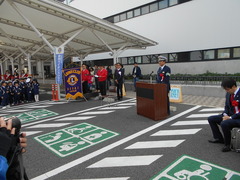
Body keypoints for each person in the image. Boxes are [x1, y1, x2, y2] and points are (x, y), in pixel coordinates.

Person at [208, 78, 240, 152]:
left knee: (224, 123)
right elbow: (227, 107)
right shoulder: (228, 94)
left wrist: (230, 117)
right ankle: (218, 138)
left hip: (238, 118)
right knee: (211, 119)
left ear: (233, 87)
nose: (226, 91)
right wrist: (225, 115)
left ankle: (228, 144)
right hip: (230, 116)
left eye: (228, 89)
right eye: (225, 89)